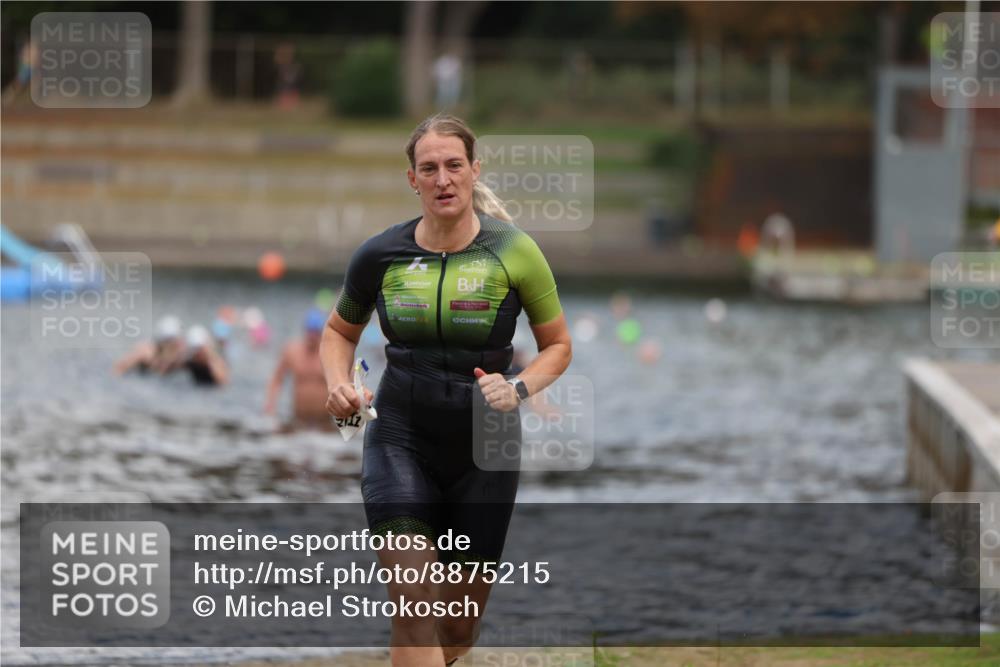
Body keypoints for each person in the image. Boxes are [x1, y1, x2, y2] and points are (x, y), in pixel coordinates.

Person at [321, 113, 572, 667]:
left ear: (473, 170)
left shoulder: (515, 251)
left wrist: (521, 388)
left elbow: (558, 346)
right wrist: (340, 386)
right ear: (412, 179)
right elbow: (340, 333)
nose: (443, 179)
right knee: (412, 604)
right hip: (400, 437)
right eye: (429, 168)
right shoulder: (379, 255)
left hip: (488, 445)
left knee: (456, 629)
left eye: (454, 165)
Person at [264, 308, 333, 431]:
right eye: (310, 332)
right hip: (298, 419)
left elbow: (348, 381)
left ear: (322, 332)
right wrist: (271, 405)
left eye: (316, 332)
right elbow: (277, 379)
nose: (312, 336)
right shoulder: (292, 351)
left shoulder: (331, 354)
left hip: (325, 422)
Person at [114, 315, 186, 376]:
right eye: (174, 344)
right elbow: (119, 369)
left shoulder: (178, 360)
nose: (179, 347)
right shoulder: (146, 353)